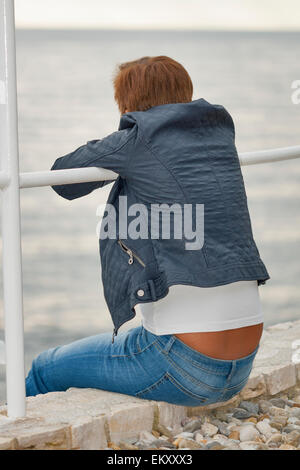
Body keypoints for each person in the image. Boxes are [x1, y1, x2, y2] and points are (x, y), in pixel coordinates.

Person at [25, 56, 270, 407]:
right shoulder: (220, 135)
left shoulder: (139, 138)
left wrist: (121, 147)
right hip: (243, 363)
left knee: (44, 368)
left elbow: (63, 178)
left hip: (184, 366)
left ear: (129, 103)